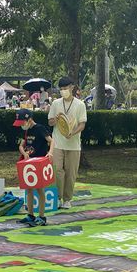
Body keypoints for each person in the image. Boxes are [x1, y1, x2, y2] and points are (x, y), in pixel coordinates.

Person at [48, 76, 87, 209]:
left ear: (72, 87)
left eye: (66, 88)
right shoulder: (55, 103)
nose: (63, 91)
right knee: (57, 170)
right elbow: (50, 122)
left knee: (71, 173)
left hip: (74, 145)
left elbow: (82, 124)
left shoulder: (80, 104)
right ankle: (58, 197)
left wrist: (73, 133)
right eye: (61, 89)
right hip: (58, 143)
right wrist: (56, 119)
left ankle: (67, 199)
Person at [14, 108, 54, 227]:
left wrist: (50, 153)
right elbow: (21, 145)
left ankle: (42, 216)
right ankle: (30, 214)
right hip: (29, 162)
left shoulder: (40, 128)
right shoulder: (26, 130)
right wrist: (24, 153)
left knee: (40, 189)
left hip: (39, 162)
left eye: (22, 123)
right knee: (29, 189)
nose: (21, 126)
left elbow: (51, 141)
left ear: (29, 120)